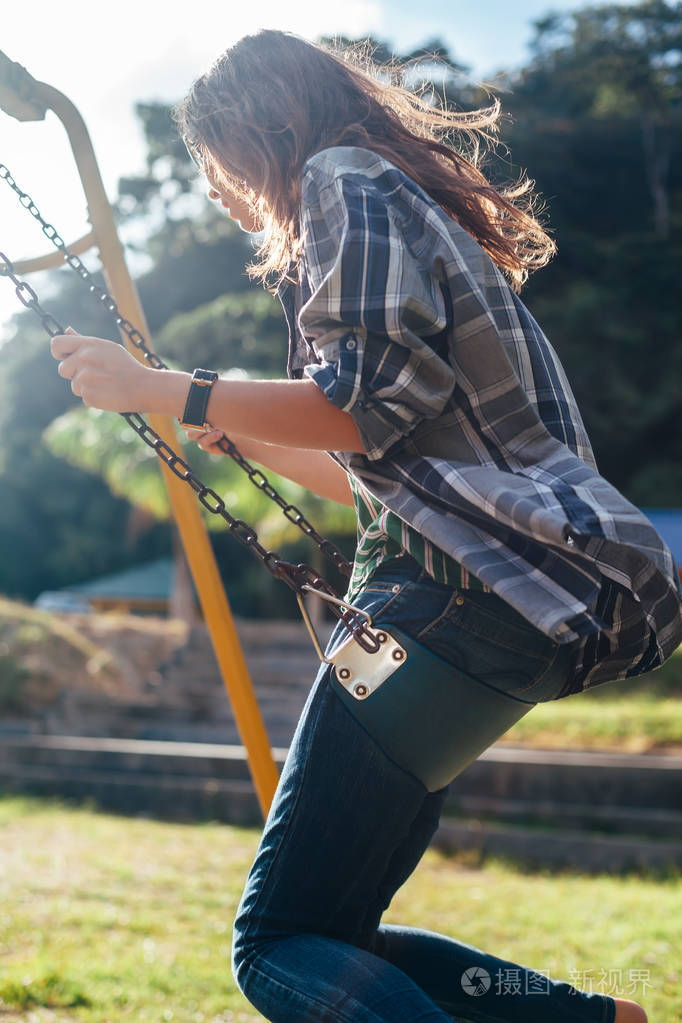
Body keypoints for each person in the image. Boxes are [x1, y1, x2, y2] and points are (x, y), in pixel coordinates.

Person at [50, 30, 679, 1023]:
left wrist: (163, 388)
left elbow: (362, 404)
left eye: (213, 156)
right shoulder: (385, 202)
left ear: (261, 128)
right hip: (502, 602)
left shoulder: (344, 179)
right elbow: (380, 472)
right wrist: (237, 431)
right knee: (333, 936)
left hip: (453, 603)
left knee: (276, 945)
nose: (216, 187)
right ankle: (590, 1022)